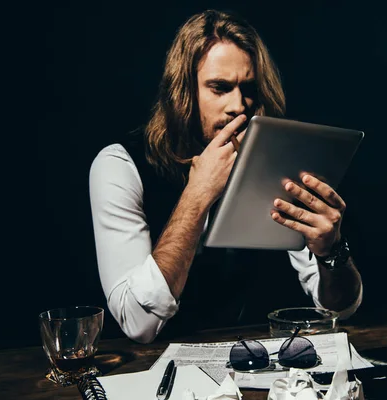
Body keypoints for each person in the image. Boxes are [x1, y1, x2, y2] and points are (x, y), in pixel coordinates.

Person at [89, 9, 363, 344]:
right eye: (219, 87)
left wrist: (332, 250)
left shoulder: (277, 159)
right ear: (182, 91)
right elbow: (138, 323)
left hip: (267, 365)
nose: (238, 106)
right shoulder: (120, 165)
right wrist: (198, 194)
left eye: (248, 88)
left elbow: (339, 308)